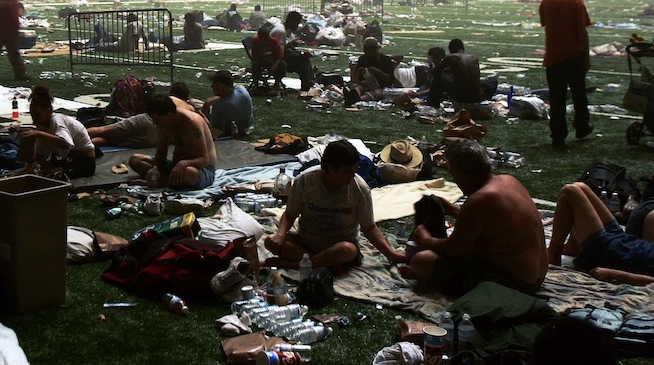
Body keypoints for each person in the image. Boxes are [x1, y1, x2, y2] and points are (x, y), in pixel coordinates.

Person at [398, 139, 549, 297]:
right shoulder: (509, 180)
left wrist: (425, 240)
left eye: (453, 174)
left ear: (461, 173)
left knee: (423, 260)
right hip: (537, 276)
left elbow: (454, 250)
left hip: (516, 285)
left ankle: (425, 276)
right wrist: (453, 210)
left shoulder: (480, 200)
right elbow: (491, 223)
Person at [265, 139, 404, 271]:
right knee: (270, 241)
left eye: (354, 170)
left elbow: (370, 228)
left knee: (346, 250)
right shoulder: (305, 180)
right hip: (306, 243)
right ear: (331, 168)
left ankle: (296, 265)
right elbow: (290, 214)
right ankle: (321, 263)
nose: (352, 175)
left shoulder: (360, 188)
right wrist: (280, 234)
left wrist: (391, 254)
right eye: (347, 171)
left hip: (339, 246)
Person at [546, 182, 654, 286]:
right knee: (581, 186)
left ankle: (554, 253)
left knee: (569, 191)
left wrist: (614, 274)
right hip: (626, 241)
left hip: (612, 253)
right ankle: (573, 246)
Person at [539, 0, 592, 147]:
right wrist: (586, 55)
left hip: (554, 56)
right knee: (579, 95)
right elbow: (582, 31)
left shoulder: (546, 2)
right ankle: (582, 126)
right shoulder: (577, 2)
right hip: (574, 55)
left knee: (557, 98)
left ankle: (558, 134)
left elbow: (545, 23)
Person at [129, 95, 217, 190]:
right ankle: (167, 181)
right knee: (135, 160)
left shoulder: (192, 124)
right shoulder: (163, 124)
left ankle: (162, 182)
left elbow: (204, 159)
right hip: (175, 166)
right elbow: (161, 152)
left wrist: (183, 164)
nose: (154, 123)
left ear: (169, 116)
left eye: (157, 119)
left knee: (189, 173)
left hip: (201, 170)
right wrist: (155, 168)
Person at [19, 85, 96, 178]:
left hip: (84, 162)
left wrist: (39, 134)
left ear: (48, 111)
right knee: (41, 170)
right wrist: (28, 166)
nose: (34, 119)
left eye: (37, 115)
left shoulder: (56, 121)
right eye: (32, 115)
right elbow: (39, 155)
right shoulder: (42, 128)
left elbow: (66, 143)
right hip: (66, 159)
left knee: (52, 175)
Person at [87, 84, 196, 148]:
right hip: (156, 139)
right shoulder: (190, 110)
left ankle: (77, 137)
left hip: (149, 121)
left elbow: (152, 108)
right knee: (111, 141)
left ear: (172, 92)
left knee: (104, 130)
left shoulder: (170, 100)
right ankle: (91, 142)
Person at [426, 39, 483, 107]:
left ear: (451, 50)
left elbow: (436, 71)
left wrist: (430, 66)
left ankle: (432, 104)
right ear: (463, 48)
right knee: (492, 81)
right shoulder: (474, 58)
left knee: (440, 76)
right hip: (478, 96)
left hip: (460, 96)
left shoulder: (451, 57)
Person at [270, 11, 315, 91]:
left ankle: (309, 81)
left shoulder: (286, 30)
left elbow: (285, 45)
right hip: (276, 59)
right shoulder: (281, 31)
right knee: (304, 60)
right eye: (297, 23)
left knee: (304, 58)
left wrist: (293, 45)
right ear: (292, 21)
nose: (297, 26)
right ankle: (307, 83)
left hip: (283, 55)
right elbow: (278, 50)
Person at [345, 37, 397, 106]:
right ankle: (352, 96)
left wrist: (377, 72)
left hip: (380, 86)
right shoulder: (363, 59)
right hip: (365, 84)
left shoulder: (385, 60)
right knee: (358, 88)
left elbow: (390, 80)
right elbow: (356, 80)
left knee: (373, 94)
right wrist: (359, 72)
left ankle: (357, 99)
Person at [201, 70, 253, 137]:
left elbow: (214, 130)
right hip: (245, 127)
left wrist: (203, 112)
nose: (212, 86)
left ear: (223, 87)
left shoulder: (219, 105)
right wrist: (208, 101)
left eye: (215, 84)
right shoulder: (242, 90)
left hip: (228, 132)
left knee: (193, 103)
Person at [248, 25, 286, 91]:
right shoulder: (256, 41)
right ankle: (256, 84)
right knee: (255, 65)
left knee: (283, 65)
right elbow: (254, 55)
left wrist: (274, 65)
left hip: (273, 60)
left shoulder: (274, 41)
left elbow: (279, 56)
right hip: (260, 60)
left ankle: (276, 83)